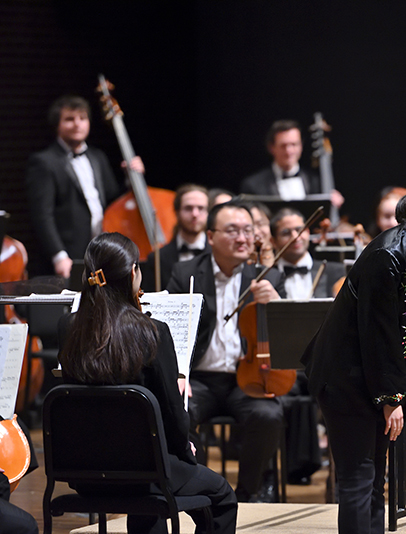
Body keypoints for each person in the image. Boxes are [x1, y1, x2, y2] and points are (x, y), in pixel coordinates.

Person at [302, 168, 406, 534]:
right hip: (345, 379)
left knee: (375, 478)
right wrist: (391, 397)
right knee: (358, 480)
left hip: (377, 378)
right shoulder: (387, 254)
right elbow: (379, 335)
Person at [57, 232, 237, 534]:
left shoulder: (69, 328)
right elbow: (170, 410)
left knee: (153, 488)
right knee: (221, 496)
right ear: (132, 273)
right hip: (146, 471)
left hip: (83, 472)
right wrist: (184, 448)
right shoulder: (152, 332)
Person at [166, 200, 285, 503]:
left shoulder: (267, 277)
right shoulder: (186, 273)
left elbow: (283, 340)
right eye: (232, 231)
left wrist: (276, 305)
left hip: (246, 379)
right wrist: (179, 373)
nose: (243, 238)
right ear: (210, 236)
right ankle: (201, 489)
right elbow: (170, 331)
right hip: (199, 380)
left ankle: (248, 492)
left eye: (248, 230)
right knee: (177, 411)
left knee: (268, 414)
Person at [25, 95, 145, 278]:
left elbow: (113, 201)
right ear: (57, 125)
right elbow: (42, 215)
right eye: (69, 119)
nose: (77, 124)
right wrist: (59, 255)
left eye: (82, 118)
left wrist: (131, 178)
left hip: (99, 252)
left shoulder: (98, 157)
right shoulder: (43, 162)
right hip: (69, 256)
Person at [239, 119, 344, 208]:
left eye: (294, 144)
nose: (289, 151)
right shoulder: (253, 185)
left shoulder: (315, 182)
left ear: (301, 146)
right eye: (283, 145)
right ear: (271, 148)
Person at [141, 184, 210, 291]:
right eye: (188, 208)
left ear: (208, 213)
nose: (195, 214)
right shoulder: (157, 259)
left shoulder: (219, 255)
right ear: (176, 212)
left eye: (201, 208)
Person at [270, 207, 346, 299]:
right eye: (286, 233)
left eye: (299, 230)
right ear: (273, 241)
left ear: (307, 232)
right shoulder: (267, 277)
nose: (295, 237)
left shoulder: (336, 273)